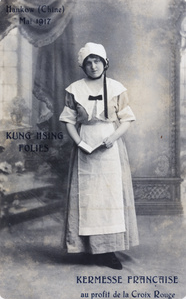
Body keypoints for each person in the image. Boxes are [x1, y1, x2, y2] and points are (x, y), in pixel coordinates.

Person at [59, 42, 139, 270]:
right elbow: (68, 121)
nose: (93, 66)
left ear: (106, 63)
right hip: (84, 147)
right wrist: (79, 143)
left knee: (109, 198)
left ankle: (109, 251)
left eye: (97, 61)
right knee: (87, 198)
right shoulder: (74, 89)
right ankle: (87, 248)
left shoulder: (116, 88)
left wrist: (113, 138)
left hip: (110, 147)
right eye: (89, 62)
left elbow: (127, 119)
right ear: (83, 65)